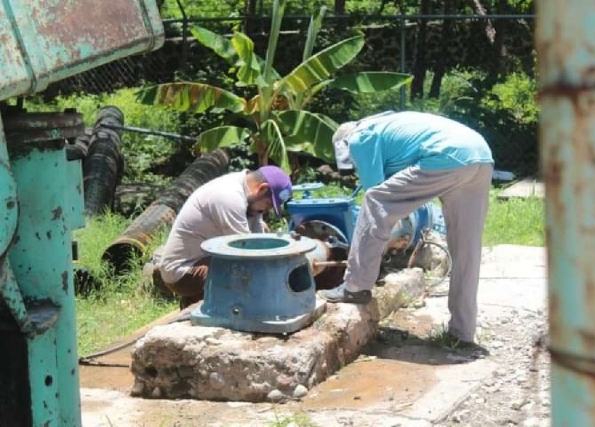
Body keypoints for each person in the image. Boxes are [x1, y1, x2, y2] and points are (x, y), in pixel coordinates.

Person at [319, 111, 494, 344]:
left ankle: (355, 286)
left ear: (344, 145)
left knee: (374, 201)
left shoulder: (358, 138)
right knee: (466, 246)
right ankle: (462, 333)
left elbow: (377, 195)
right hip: (481, 156)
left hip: (446, 155)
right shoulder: (385, 126)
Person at [159, 165, 292, 308]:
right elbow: (246, 251)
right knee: (244, 278)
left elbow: (259, 240)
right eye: (268, 205)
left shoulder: (249, 196)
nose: (265, 210)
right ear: (262, 189)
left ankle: (195, 303)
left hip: (208, 259)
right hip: (182, 271)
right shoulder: (229, 197)